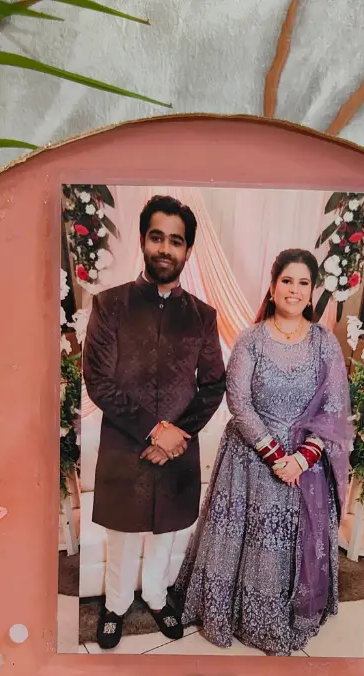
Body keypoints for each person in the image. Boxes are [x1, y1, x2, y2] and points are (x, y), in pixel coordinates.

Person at [174, 249, 353, 655]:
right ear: (272, 288)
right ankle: (240, 613)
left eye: (303, 283)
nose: (294, 290)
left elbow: (334, 407)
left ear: (312, 292)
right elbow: (238, 400)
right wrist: (274, 454)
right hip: (250, 458)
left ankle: (291, 608)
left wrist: (302, 458)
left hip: (305, 463)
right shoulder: (251, 339)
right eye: (287, 281)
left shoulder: (325, 344)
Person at [82, 195, 226, 649]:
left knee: (167, 535)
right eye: (157, 237)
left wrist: (175, 436)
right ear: (143, 241)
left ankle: (159, 598)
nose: (165, 249)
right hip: (126, 444)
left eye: (176, 241)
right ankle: (116, 605)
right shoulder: (110, 305)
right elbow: (98, 380)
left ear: (188, 250)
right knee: (122, 538)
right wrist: (153, 430)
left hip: (179, 447)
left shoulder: (202, 316)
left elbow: (213, 385)